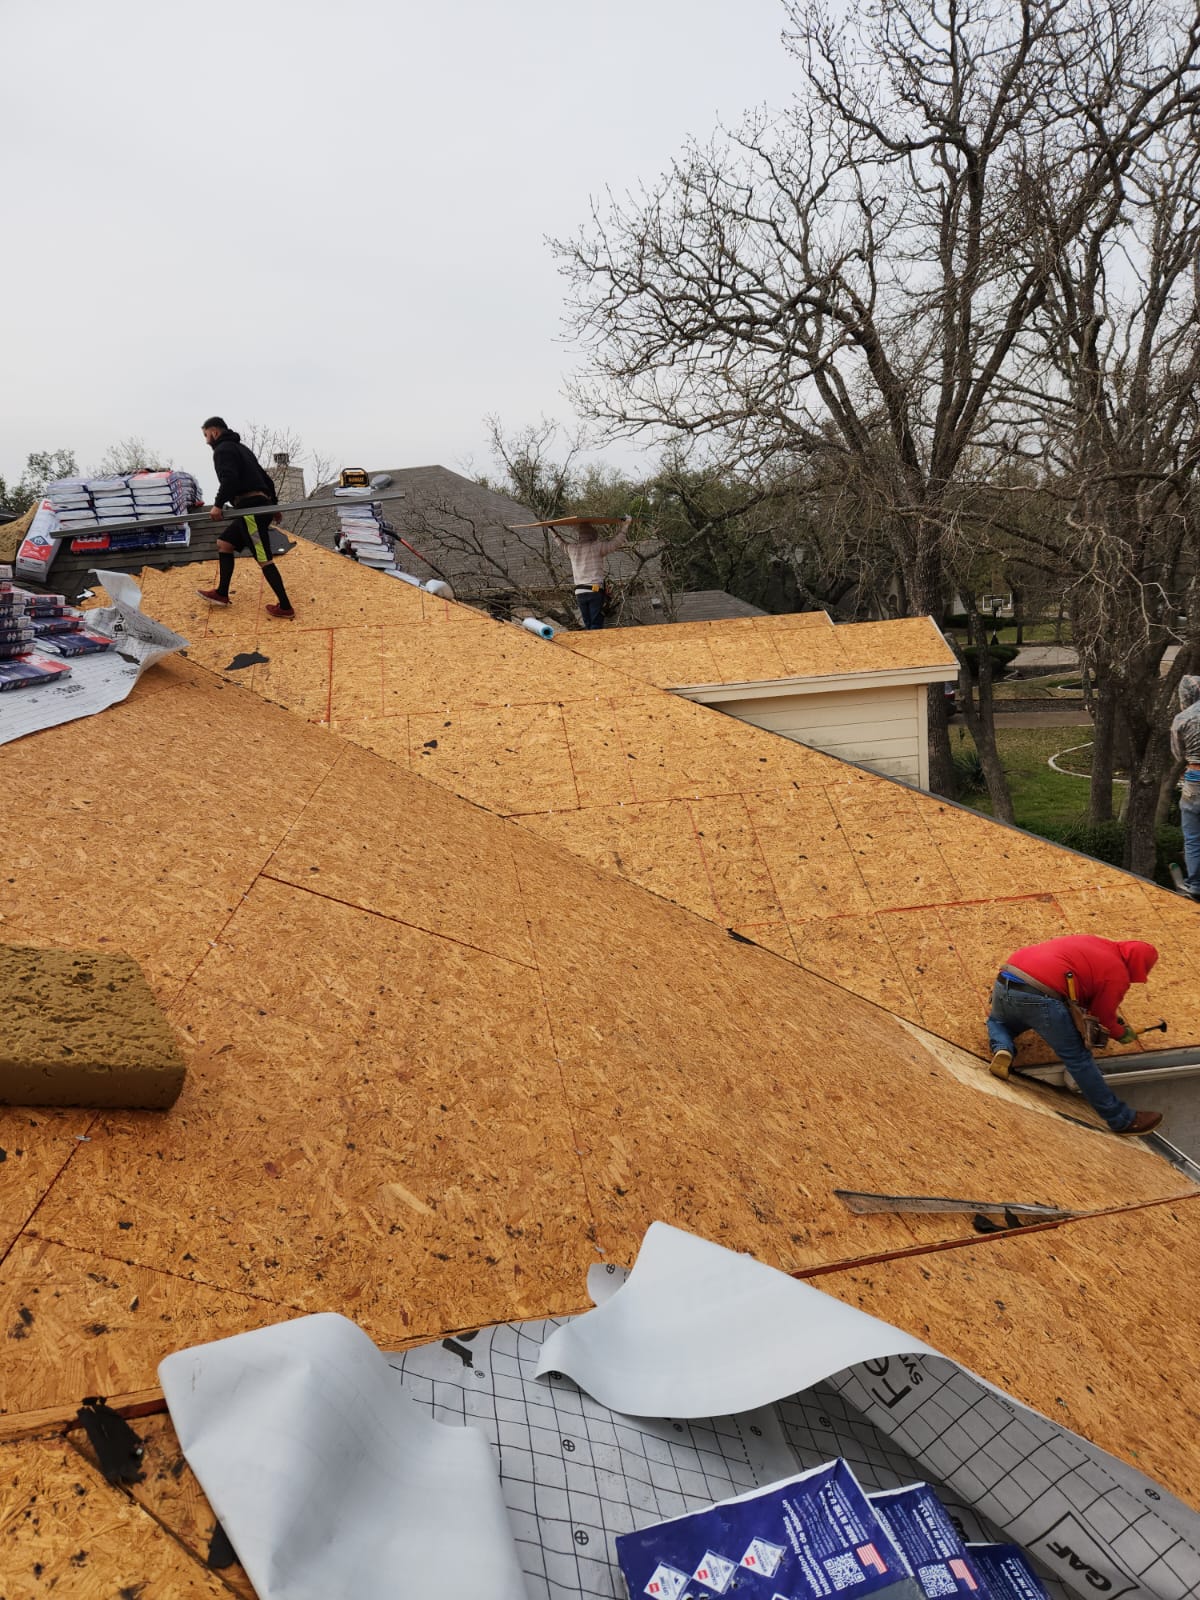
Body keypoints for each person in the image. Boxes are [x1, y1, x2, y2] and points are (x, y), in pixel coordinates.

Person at [986, 935, 1162, 1134]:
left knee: (998, 1021)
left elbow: (1079, 983)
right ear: (1139, 966)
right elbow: (1102, 1017)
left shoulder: (1095, 943)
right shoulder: (1117, 973)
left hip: (1006, 978)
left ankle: (1002, 1048)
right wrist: (1121, 1033)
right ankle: (1122, 1120)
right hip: (1041, 995)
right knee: (1078, 1058)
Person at [196, 417, 295, 618]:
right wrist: (273, 505)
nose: (206, 441)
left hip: (250, 510)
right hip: (258, 507)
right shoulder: (243, 450)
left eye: (206, 435)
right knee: (224, 543)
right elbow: (267, 479)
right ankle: (222, 593)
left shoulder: (222, 450)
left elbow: (229, 479)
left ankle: (285, 607)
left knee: (263, 557)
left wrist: (217, 505)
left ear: (214, 432)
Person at [552, 518, 631, 629]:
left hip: (579, 592)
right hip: (594, 590)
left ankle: (589, 644)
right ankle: (597, 646)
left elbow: (561, 543)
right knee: (596, 623)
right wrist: (625, 526)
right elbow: (616, 542)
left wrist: (552, 530)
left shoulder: (572, 549)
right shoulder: (597, 547)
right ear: (593, 534)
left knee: (588, 623)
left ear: (580, 536)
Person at [1170, 674, 1200, 899]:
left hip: (1195, 779)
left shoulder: (1182, 718)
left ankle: (1195, 885)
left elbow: (1178, 753)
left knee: (1193, 836)